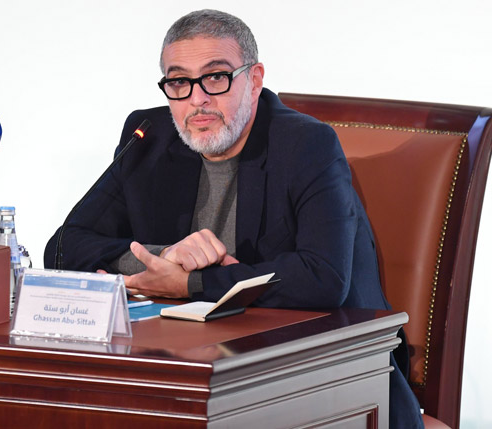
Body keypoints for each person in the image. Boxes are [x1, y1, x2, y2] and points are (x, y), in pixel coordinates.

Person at [45, 9, 423, 428]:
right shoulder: (150, 136)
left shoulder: (306, 144)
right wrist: (162, 258)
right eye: (179, 81)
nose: (197, 99)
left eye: (216, 77)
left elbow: (324, 277)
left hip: (329, 374)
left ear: (254, 80)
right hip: (192, 370)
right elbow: (64, 246)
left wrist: (191, 282)